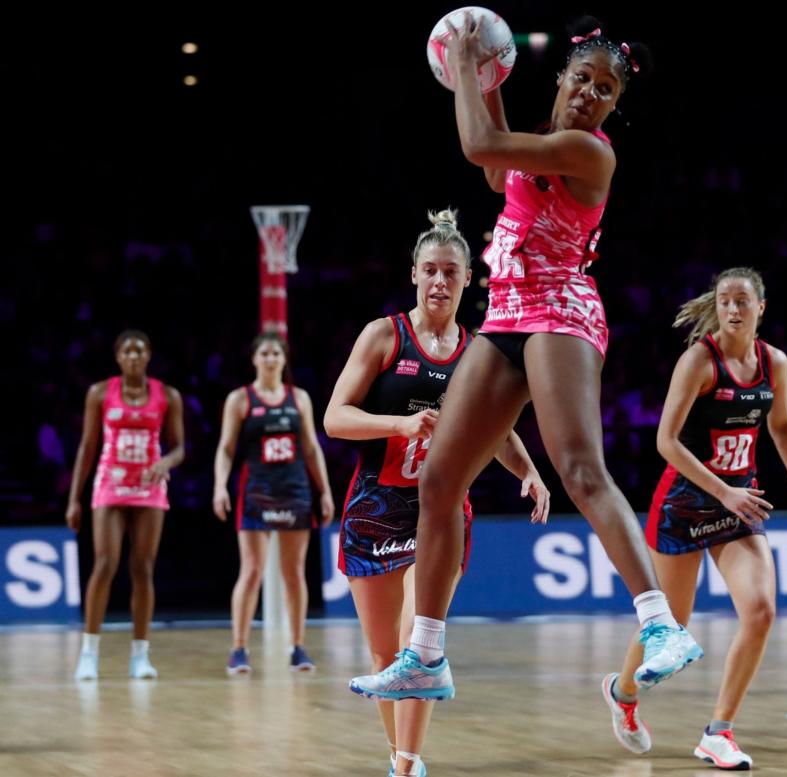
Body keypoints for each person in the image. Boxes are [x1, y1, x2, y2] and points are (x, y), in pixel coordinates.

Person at [350, 16, 702, 708]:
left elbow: (477, 143)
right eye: (581, 80)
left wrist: (459, 60)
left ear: (612, 107)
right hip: (507, 312)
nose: (590, 95)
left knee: (578, 467)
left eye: (605, 91)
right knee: (441, 478)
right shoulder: (540, 141)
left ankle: (661, 625)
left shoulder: (588, 152)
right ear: (562, 79)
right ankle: (424, 654)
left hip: (561, 309)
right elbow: (493, 168)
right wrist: (488, 80)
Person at [327, 210, 550, 777]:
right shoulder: (383, 335)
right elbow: (335, 418)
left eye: (451, 272)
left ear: (469, 279)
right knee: (384, 656)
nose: (439, 282)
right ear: (414, 275)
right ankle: (401, 757)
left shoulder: (480, 352)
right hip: (373, 507)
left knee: (414, 645)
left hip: (441, 513)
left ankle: (407, 767)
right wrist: (399, 425)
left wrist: (528, 469)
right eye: (430, 270)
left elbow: (496, 428)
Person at [602, 268, 787, 770]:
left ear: (762, 306)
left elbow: (781, 425)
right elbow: (665, 441)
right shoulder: (699, 361)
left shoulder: (773, 363)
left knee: (761, 612)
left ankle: (719, 731)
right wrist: (724, 492)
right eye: (725, 300)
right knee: (671, 626)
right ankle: (622, 693)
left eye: (743, 300)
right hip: (683, 506)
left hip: (739, 506)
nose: (733, 309)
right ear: (715, 307)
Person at [212, 333, 335, 674]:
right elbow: (225, 448)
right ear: (254, 359)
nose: (270, 358)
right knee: (251, 571)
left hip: (295, 491)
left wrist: (324, 491)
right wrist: (220, 486)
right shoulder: (241, 399)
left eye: (276, 353)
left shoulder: (300, 399)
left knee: (294, 573)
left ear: (284, 359)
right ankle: (239, 649)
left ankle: (298, 647)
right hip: (255, 492)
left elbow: (311, 448)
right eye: (264, 353)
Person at [65, 330, 185, 680]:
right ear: (118, 357)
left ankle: (140, 655)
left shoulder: (168, 395)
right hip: (111, 482)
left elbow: (179, 447)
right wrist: (74, 498)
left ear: (148, 356)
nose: (134, 356)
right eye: (127, 351)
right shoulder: (100, 392)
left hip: (149, 485)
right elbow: (87, 448)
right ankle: (88, 653)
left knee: (143, 569)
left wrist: (166, 463)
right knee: (105, 563)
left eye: (140, 351)